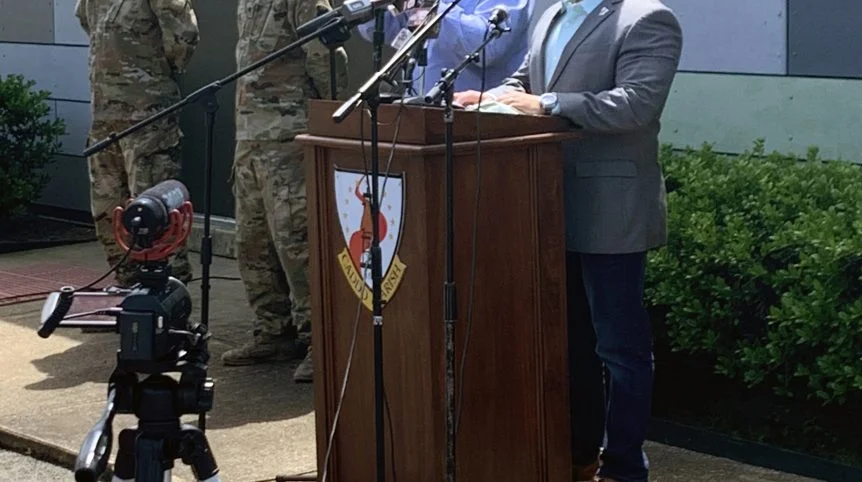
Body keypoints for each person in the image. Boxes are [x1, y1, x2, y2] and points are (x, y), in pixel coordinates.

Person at [454, 0, 682, 480]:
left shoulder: (646, 19)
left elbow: (636, 104)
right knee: (570, 342)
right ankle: (580, 456)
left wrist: (548, 104)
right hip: (547, 201)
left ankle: (624, 466)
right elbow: (526, 82)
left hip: (610, 207)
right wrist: (491, 98)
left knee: (620, 348)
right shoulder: (553, 14)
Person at [223, 0, 349, 383]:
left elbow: (326, 57)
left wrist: (330, 120)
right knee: (252, 243)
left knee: (298, 244)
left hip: (289, 137)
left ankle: (321, 343)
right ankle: (274, 331)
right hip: (250, 137)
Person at [76, 0, 199, 287]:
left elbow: (183, 37)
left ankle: (167, 289)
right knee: (108, 208)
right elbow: (87, 21)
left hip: (147, 115)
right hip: (105, 116)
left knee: (155, 211)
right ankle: (127, 283)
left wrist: (149, 69)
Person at [356, 0, 532, 96]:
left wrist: (431, 4)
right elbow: (382, 30)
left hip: (476, 120)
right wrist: (368, 7)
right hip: (418, 110)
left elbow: (487, 47)